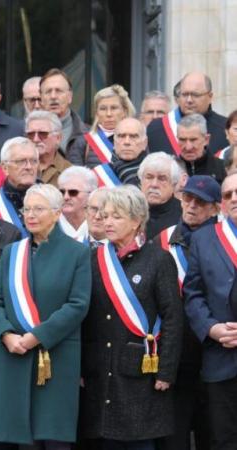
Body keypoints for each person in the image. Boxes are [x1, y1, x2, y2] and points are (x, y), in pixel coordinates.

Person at [0, 183, 91, 447]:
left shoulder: (77, 252)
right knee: (22, 437)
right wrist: (6, 334)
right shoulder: (13, 252)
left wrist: (37, 337)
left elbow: (77, 305)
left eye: (38, 209)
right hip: (14, 354)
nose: (30, 215)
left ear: (57, 213)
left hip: (55, 356)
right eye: (27, 209)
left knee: (53, 436)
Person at [81, 185, 183, 448]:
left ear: (137, 220)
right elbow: (87, 318)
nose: (108, 222)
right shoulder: (94, 259)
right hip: (101, 368)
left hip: (140, 369)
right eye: (105, 215)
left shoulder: (158, 259)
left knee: (137, 441)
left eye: (117, 216)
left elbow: (172, 318)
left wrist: (166, 372)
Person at [154, 175, 219, 450]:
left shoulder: (225, 240)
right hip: (176, 353)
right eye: (187, 198)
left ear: (215, 208)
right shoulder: (162, 239)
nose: (191, 206)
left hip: (214, 349)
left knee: (214, 431)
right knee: (175, 435)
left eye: (200, 202)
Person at [184, 171, 237, 450]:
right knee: (222, 439)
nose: (235, 198)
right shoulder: (203, 239)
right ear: (221, 204)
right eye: (228, 194)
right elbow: (193, 295)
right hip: (221, 355)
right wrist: (211, 329)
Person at [147, 72, 228, 155]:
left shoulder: (226, 129)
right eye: (185, 95)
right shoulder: (157, 129)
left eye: (195, 95)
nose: (189, 100)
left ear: (210, 96)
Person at [68, 84, 135, 167]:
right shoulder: (83, 143)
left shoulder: (136, 139)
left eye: (114, 108)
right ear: (96, 113)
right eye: (103, 109)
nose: (109, 114)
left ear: (124, 111)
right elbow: (74, 177)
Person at [0, 137, 39, 234]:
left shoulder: (50, 198)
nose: (29, 167)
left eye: (33, 161)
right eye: (21, 161)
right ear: (5, 168)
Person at [39, 68, 88, 155]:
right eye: (48, 91)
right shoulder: (28, 134)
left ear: (70, 96)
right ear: (41, 98)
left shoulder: (91, 135)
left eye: (58, 91)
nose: (53, 96)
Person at [94, 117, 149, 188]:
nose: (127, 142)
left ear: (145, 142)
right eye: (121, 136)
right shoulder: (99, 175)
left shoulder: (155, 175)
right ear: (114, 141)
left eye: (133, 136)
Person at [139, 152, 183, 237]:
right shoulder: (128, 212)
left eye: (162, 179)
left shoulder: (184, 214)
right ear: (141, 181)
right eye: (149, 177)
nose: (154, 184)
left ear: (174, 184)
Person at [25, 110, 71, 187]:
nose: (36, 139)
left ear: (58, 138)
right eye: (31, 134)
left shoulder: (70, 172)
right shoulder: (12, 166)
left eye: (43, 134)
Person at [176, 113, 226, 182]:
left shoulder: (223, 169)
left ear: (206, 140)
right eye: (182, 140)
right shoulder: (169, 170)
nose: (188, 147)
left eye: (193, 140)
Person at [57, 166, 98, 243]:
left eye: (73, 192)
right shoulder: (48, 224)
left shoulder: (101, 225)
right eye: (62, 192)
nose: (66, 197)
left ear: (90, 194)